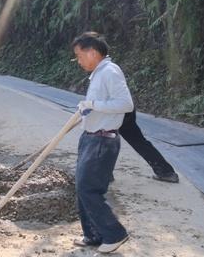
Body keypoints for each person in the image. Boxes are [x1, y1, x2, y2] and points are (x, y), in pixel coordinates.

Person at [72, 32, 131, 254]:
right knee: (81, 188)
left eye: (79, 56)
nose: (78, 61)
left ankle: (115, 233)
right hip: (90, 138)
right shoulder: (98, 73)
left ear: (93, 52)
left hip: (102, 140)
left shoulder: (110, 71)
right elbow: (100, 103)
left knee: (89, 189)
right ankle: (93, 234)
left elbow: (126, 104)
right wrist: (87, 108)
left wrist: (94, 104)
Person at [119, 110, 179, 183]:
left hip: (118, 111)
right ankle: (166, 172)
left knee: (137, 141)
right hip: (120, 111)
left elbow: (126, 102)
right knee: (138, 141)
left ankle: (166, 173)